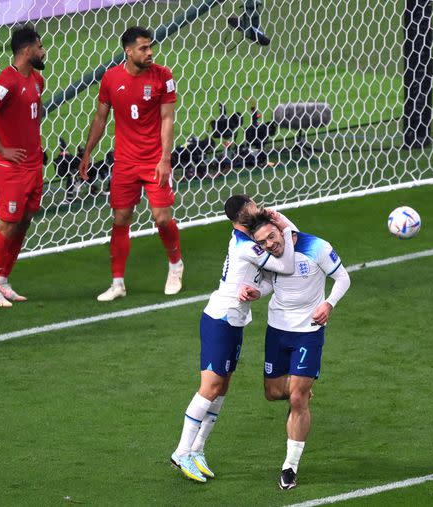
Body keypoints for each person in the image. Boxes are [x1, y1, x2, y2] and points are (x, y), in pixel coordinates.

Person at [169, 195, 297, 483]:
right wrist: (286, 229)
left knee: (222, 387)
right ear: (243, 216)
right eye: (253, 206)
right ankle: (181, 451)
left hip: (234, 321)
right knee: (210, 388)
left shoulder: (247, 241)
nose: (258, 208)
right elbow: (286, 267)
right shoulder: (247, 246)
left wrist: (256, 291)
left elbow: (267, 282)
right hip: (221, 319)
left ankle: (198, 449)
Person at [239, 208, 350, 490]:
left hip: (308, 331)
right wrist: (256, 292)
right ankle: (302, 385)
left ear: (282, 228)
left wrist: (329, 304)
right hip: (277, 328)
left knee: (298, 399)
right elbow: (268, 283)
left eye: (272, 238)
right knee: (273, 392)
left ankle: (290, 467)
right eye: (262, 242)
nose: (269, 246)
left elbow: (343, 278)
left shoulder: (317, 246)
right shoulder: (268, 255)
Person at [79, 26, 183, 301]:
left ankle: (175, 265)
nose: (150, 52)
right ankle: (117, 283)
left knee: (161, 218)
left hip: (153, 161)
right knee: (121, 218)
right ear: (128, 51)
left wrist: (165, 159)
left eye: (150, 47)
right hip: (125, 162)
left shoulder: (163, 76)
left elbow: (167, 119)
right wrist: (88, 152)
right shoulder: (111, 79)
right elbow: (100, 118)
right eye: (143, 48)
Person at [0, 25, 46, 307]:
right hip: (11, 167)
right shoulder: (8, 80)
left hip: (32, 165)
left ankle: (3, 280)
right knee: (7, 224)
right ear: (27, 50)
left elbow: (34, 114)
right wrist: (2, 148)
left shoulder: (38, 81)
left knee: (25, 220)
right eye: (40, 47)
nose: (44, 52)